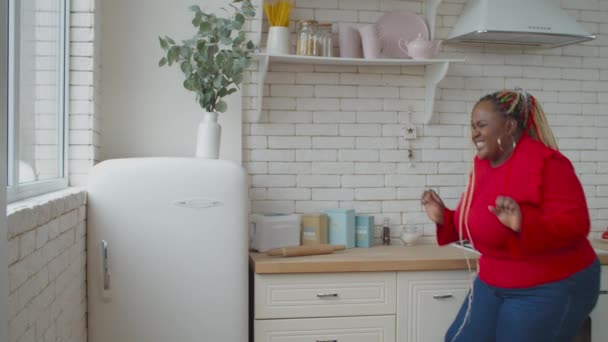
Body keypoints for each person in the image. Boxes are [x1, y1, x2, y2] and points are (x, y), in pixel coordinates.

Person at [421, 89, 600, 342]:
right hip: (493, 281)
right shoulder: (483, 165)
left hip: (549, 285)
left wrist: (523, 223)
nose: (474, 134)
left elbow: (576, 225)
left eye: (482, 125)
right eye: (472, 127)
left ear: (509, 126)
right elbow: (479, 223)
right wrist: (445, 218)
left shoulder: (549, 163)